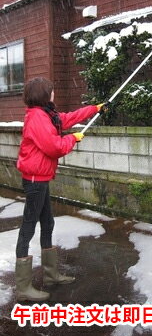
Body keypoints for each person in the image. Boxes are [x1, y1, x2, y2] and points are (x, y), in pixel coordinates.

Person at [15, 76, 106, 302]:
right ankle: (23, 287)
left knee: (48, 222)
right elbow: (54, 147)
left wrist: (94, 109)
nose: (54, 94)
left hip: (41, 178)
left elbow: (66, 119)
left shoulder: (47, 114)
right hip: (35, 179)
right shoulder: (37, 117)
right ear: (44, 95)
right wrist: (73, 139)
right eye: (51, 91)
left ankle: (51, 275)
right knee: (28, 228)